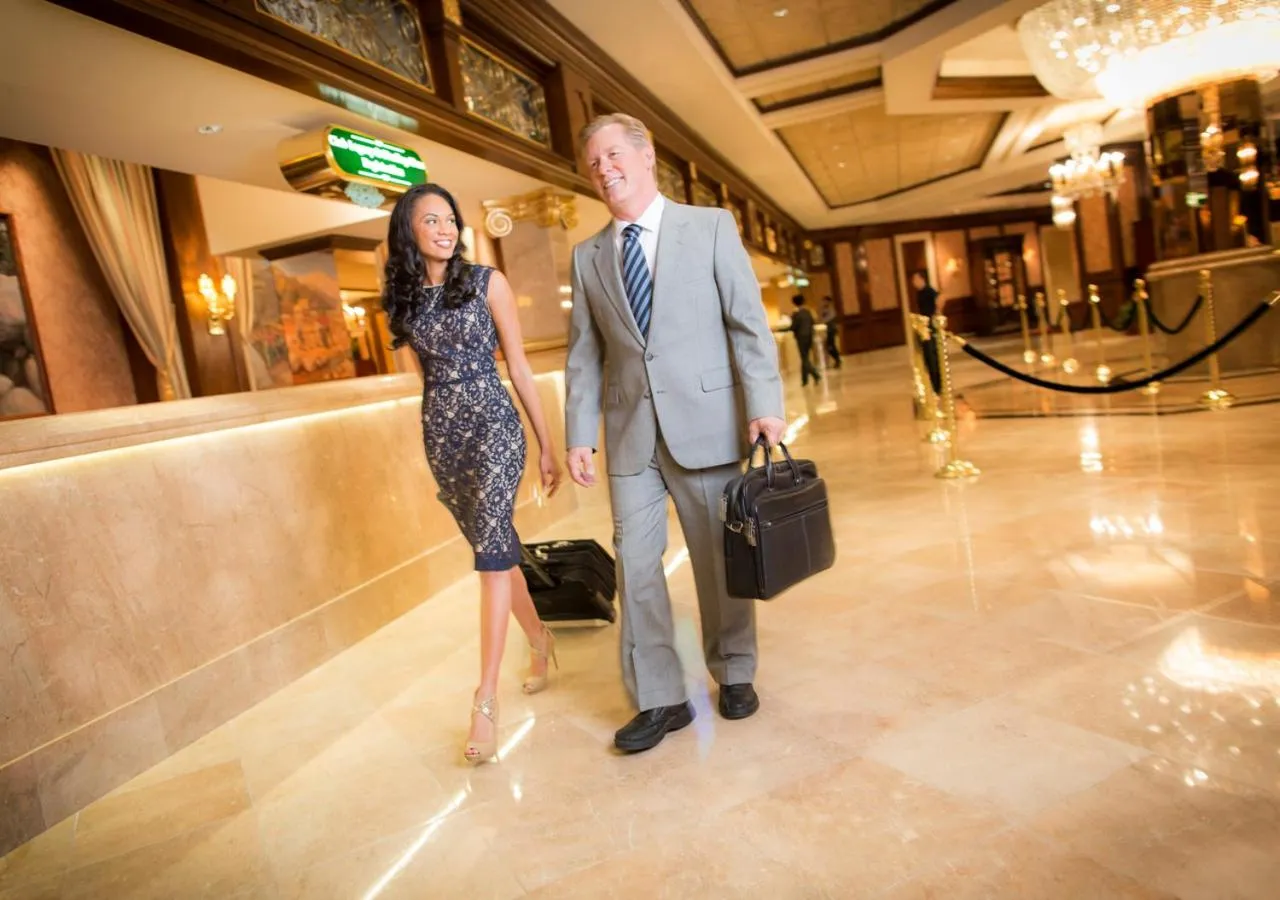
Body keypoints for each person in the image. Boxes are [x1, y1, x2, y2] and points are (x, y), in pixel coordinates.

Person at [564, 113, 785, 753]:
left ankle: (735, 669)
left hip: (708, 424)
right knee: (634, 568)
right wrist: (581, 432)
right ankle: (660, 698)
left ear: (645, 154)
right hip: (631, 432)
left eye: (612, 156)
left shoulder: (711, 227)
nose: (603, 170)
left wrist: (764, 403)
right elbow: (585, 354)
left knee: (719, 560)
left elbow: (747, 323)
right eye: (593, 164)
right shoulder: (588, 257)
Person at [383, 183, 564, 765]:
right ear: (408, 232)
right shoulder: (406, 302)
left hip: (495, 428)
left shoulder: (488, 282)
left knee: (489, 554)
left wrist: (547, 444)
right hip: (444, 436)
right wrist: (438, 430)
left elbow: (519, 367)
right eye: (430, 220)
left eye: (450, 219)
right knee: (499, 549)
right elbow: (423, 380)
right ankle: (540, 639)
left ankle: (484, 700)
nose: (444, 228)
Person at [911, 269, 942, 394]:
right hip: (923, 327)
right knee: (927, 357)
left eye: (915, 279)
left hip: (930, 327)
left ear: (921, 279)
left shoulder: (929, 290)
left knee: (932, 355)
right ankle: (933, 383)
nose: (914, 282)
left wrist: (937, 313)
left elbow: (940, 298)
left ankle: (937, 385)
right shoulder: (919, 293)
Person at [788, 294, 820, 386]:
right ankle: (804, 380)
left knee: (804, 358)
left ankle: (815, 374)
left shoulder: (796, 314)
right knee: (805, 357)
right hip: (809, 336)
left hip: (801, 338)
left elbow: (793, 327)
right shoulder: (808, 312)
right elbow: (813, 322)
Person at [820, 296, 841, 369]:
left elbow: (828, 319)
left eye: (825, 301)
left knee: (831, 345)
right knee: (829, 346)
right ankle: (837, 359)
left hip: (831, 329)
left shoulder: (831, 309)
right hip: (828, 329)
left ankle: (837, 359)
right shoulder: (824, 309)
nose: (823, 303)